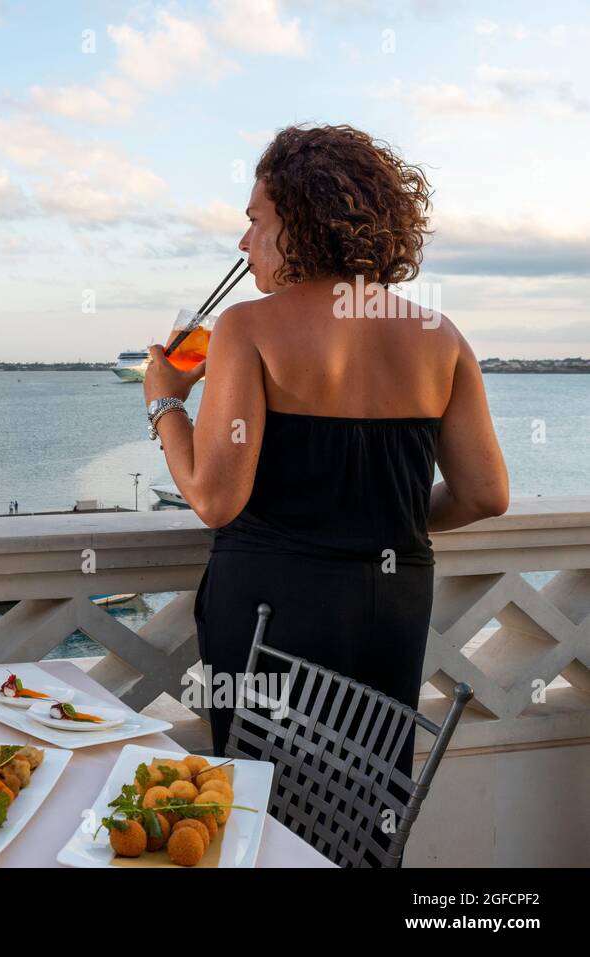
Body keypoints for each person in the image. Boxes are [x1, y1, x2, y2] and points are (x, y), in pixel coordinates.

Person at [143, 124, 509, 777]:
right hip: (390, 608)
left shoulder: (246, 327)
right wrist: (377, 516)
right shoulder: (439, 335)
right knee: (361, 806)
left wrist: (165, 400)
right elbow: (486, 493)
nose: (243, 240)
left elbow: (214, 497)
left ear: (302, 221)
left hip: (269, 614)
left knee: (270, 808)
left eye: (256, 220)